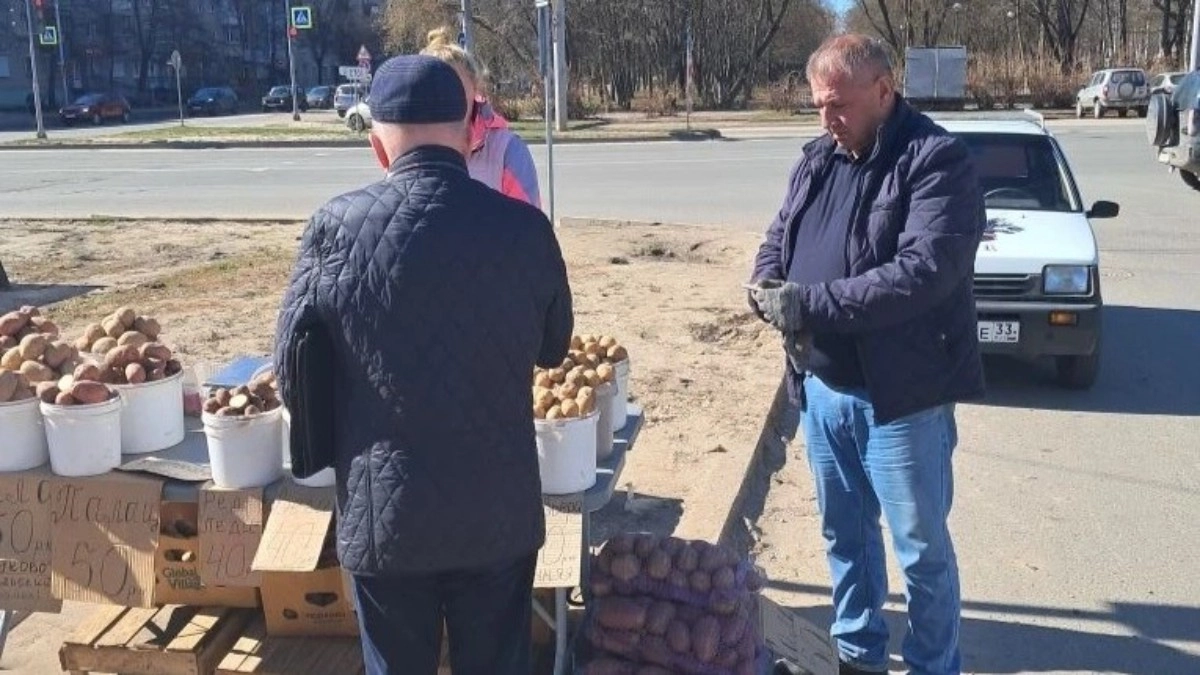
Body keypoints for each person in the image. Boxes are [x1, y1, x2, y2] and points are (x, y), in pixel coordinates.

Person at [273, 54, 573, 675]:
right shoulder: (524, 229)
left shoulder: (334, 228)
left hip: (387, 519)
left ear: (378, 147)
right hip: (497, 512)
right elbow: (553, 347)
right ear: (468, 134)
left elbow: (291, 370)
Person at [748, 34, 986, 675]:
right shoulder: (817, 159)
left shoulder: (936, 160)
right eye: (819, 106)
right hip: (823, 390)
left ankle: (933, 665)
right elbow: (780, 234)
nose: (827, 119)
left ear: (884, 90)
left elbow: (921, 274)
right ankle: (857, 654)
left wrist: (807, 304)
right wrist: (766, 282)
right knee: (845, 536)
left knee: (921, 551)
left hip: (901, 400)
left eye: (839, 105)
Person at [422, 27, 542, 207]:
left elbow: (529, 221)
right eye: (432, 90)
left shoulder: (506, 151)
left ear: (475, 88)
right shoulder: (407, 151)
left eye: (454, 87)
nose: (444, 98)